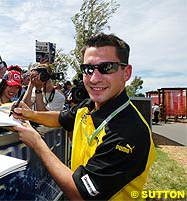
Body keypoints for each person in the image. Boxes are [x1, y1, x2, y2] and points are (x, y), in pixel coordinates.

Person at [12, 33, 156, 200]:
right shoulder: (89, 105)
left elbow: (81, 194)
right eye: (88, 69)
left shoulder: (130, 132)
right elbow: (60, 118)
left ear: (126, 73)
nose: (94, 79)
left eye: (107, 68)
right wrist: (30, 114)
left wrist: (37, 143)